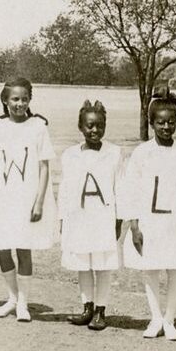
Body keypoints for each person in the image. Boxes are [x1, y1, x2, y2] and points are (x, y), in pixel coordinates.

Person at [119, 88, 176, 342]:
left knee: (175, 268)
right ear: (152, 123)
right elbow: (130, 189)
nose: (166, 127)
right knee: (150, 267)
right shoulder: (142, 152)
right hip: (149, 221)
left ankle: (170, 318)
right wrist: (133, 224)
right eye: (161, 122)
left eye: (171, 122)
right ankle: (155, 318)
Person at [0, 78, 56, 322]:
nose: (20, 104)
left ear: (30, 100)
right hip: (2, 198)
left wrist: (39, 201)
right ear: (5, 100)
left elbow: (44, 167)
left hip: (26, 197)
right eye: (15, 99)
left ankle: (23, 303)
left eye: (24, 99)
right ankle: (12, 297)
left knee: (23, 247)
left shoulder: (38, 127)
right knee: (1, 247)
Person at [58, 100, 123, 331]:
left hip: (103, 216)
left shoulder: (114, 153)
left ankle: (101, 311)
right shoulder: (70, 155)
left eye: (99, 125)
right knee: (83, 264)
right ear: (80, 127)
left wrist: (119, 220)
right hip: (79, 217)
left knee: (103, 265)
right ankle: (87, 307)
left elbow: (120, 188)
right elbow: (65, 190)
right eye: (90, 126)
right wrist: (63, 219)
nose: (95, 130)